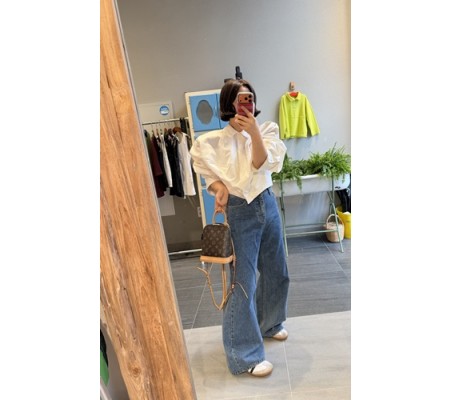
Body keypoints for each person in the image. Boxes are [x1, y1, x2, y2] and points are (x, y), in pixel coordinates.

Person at [190, 79, 290, 377]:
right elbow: (208, 174)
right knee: (243, 281)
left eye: (248, 97)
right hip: (240, 210)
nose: (245, 103)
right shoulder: (211, 142)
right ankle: (244, 355)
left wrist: (253, 131)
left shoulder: (266, 130)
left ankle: (269, 323)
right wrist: (219, 188)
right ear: (228, 103)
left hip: (267, 202)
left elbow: (261, 162)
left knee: (277, 270)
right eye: (238, 99)